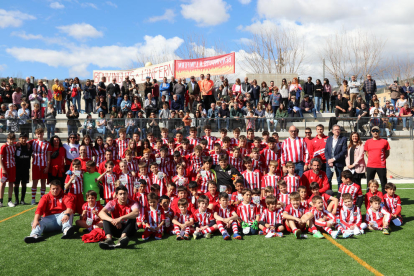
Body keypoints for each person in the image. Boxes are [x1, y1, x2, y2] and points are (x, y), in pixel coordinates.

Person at [98, 185, 139, 249]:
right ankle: (109, 239)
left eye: (124, 193)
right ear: (116, 195)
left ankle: (122, 238)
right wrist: (112, 220)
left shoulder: (132, 202)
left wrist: (120, 218)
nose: (123, 196)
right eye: (120, 194)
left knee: (132, 217)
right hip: (116, 228)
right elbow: (101, 213)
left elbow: (136, 213)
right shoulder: (112, 202)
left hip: (129, 230)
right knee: (106, 216)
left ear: (127, 194)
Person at [364, 126, 390, 193]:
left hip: (381, 166)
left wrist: (381, 159)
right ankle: (369, 198)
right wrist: (372, 159)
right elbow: (366, 153)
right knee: (369, 183)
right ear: (371, 132)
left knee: (384, 183)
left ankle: (385, 198)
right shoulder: (368, 142)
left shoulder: (384, 141)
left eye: (377, 131)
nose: (375, 132)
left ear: (379, 132)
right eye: (373, 131)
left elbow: (387, 153)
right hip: (370, 165)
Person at [324, 125, 347, 190]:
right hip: (329, 163)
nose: (337, 131)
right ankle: (329, 194)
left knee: (339, 180)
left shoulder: (343, 139)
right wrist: (329, 160)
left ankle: (339, 195)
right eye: (335, 129)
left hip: (339, 163)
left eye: (338, 129)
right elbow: (326, 151)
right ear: (332, 131)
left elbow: (343, 151)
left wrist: (333, 159)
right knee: (328, 179)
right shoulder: (329, 139)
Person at [0, 133, 16, 207]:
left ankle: (9, 201)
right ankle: (1, 201)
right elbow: (0, 158)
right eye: (10, 140)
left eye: (13, 139)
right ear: (7, 139)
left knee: (11, 183)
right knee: (2, 183)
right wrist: (3, 168)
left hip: (12, 168)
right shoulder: (4, 147)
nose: (11, 141)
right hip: (5, 169)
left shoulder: (14, 146)